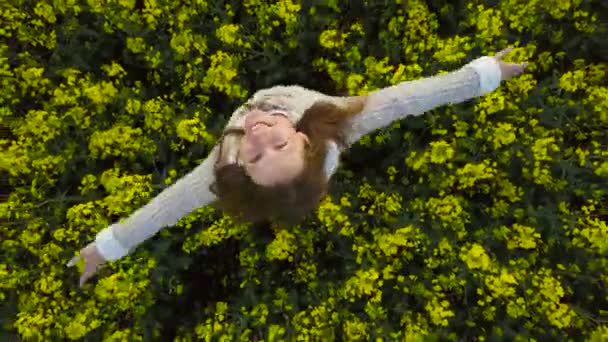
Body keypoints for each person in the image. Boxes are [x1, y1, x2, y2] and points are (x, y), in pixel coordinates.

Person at [67, 48, 528, 286]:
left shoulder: (225, 168)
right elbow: (409, 97)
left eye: (255, 155)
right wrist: (483, 76)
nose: (257, 135)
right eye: (276, 145)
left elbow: (166, 206)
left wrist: (101, 250)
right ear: (302, 138)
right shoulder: (343, 119)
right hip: (301, 117)